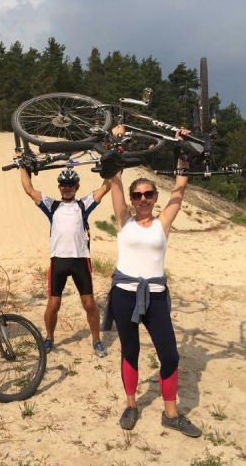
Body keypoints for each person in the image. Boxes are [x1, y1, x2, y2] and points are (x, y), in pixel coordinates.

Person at [102, 125, 201, 437]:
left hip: (155, 296)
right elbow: (114, 177)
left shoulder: (162, 223)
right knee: (129, 351)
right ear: (132, 199)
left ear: (155, 197)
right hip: (124, 294)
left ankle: (171, 414)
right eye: (137, 195)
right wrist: (115, 140)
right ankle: (131, 405)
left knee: (169, 354)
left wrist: (183, 151)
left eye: (148, 194)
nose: (143, 199)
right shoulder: (124, 220)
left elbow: (180, 189)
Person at [19, 166, 111, 357]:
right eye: (63, 184)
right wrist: (22, 166)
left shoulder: (83, 204)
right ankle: (49, 338)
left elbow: (106, 187)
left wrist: (113, 164)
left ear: (77, 186)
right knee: (53, 304)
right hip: (58, 261)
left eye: (71, 184)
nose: (67, 187)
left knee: (89, 303)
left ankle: (96, 340)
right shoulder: (52, 206)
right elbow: (29, 189)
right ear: (59, 187)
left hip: (80, 260)